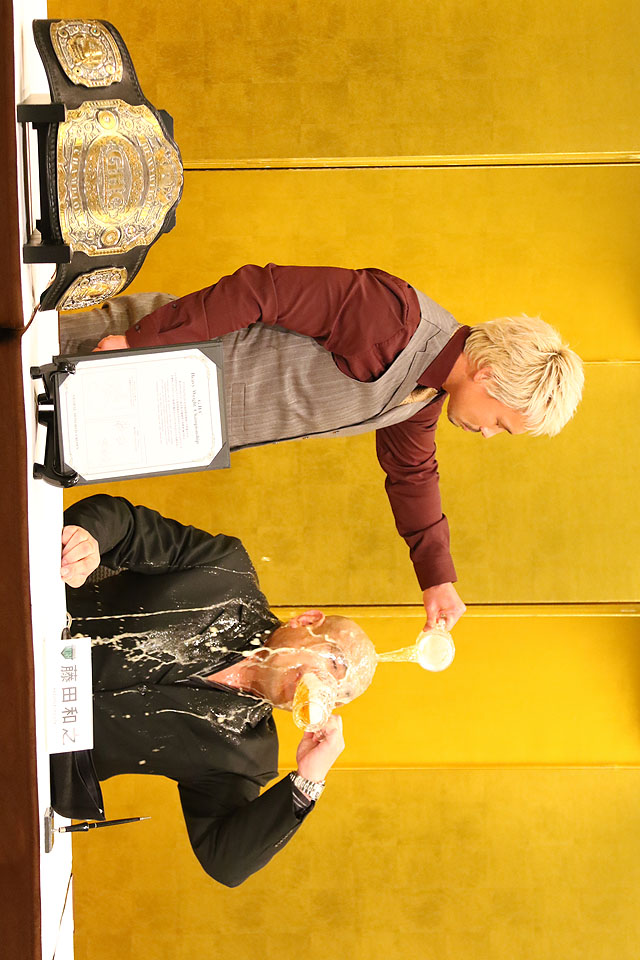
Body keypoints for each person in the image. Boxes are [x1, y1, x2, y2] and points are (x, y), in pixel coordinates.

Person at [60, 263, 585, 631]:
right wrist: (141, 343)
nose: (489, 434)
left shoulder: (423, 394)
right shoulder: (394, 316)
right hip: (126, 357)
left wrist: (437, 580)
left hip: (140, 426)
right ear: (487, 375)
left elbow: (412, 475)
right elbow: (260, 289)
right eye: (501, 423)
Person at [53, 493, 377, 887]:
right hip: (30, 627)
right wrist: (89, 537)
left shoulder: (245, 755)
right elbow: (128, 526)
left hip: (34, 749)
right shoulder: (224, 570)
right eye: (333, 663)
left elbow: (226, 862)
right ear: (306, 621)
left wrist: (307, 781)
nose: (325, 686)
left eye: (337, 695)